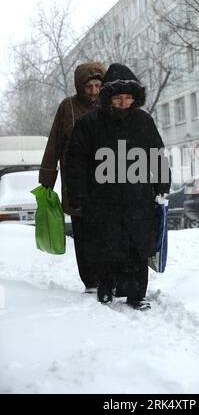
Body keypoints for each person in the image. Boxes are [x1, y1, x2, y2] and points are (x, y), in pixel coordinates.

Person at [65, 63, 171, 310]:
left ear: (135, 99)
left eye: (128, 98)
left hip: (138, 197)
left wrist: (161, 183)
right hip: (102, 198)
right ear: (108, 99)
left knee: (137, 247)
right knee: (106, 246)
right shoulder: (90, 123)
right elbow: (76, 160)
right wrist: (79, 194)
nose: (124, 103)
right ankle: (106, 288)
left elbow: (157, 154)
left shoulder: (143, 121)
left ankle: (137, 296)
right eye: (118, 98)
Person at [39, 62, 106, 293]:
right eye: (89, 86)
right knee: (84, 232)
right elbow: (54, 144)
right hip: (76, 182)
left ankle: (108, 277)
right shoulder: (68, 107)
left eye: (98, 85)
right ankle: (90, 281)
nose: (94, 91)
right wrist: (47, 179)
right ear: (80, 86)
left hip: (105, 181)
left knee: (106, 232)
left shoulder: (109, 106)